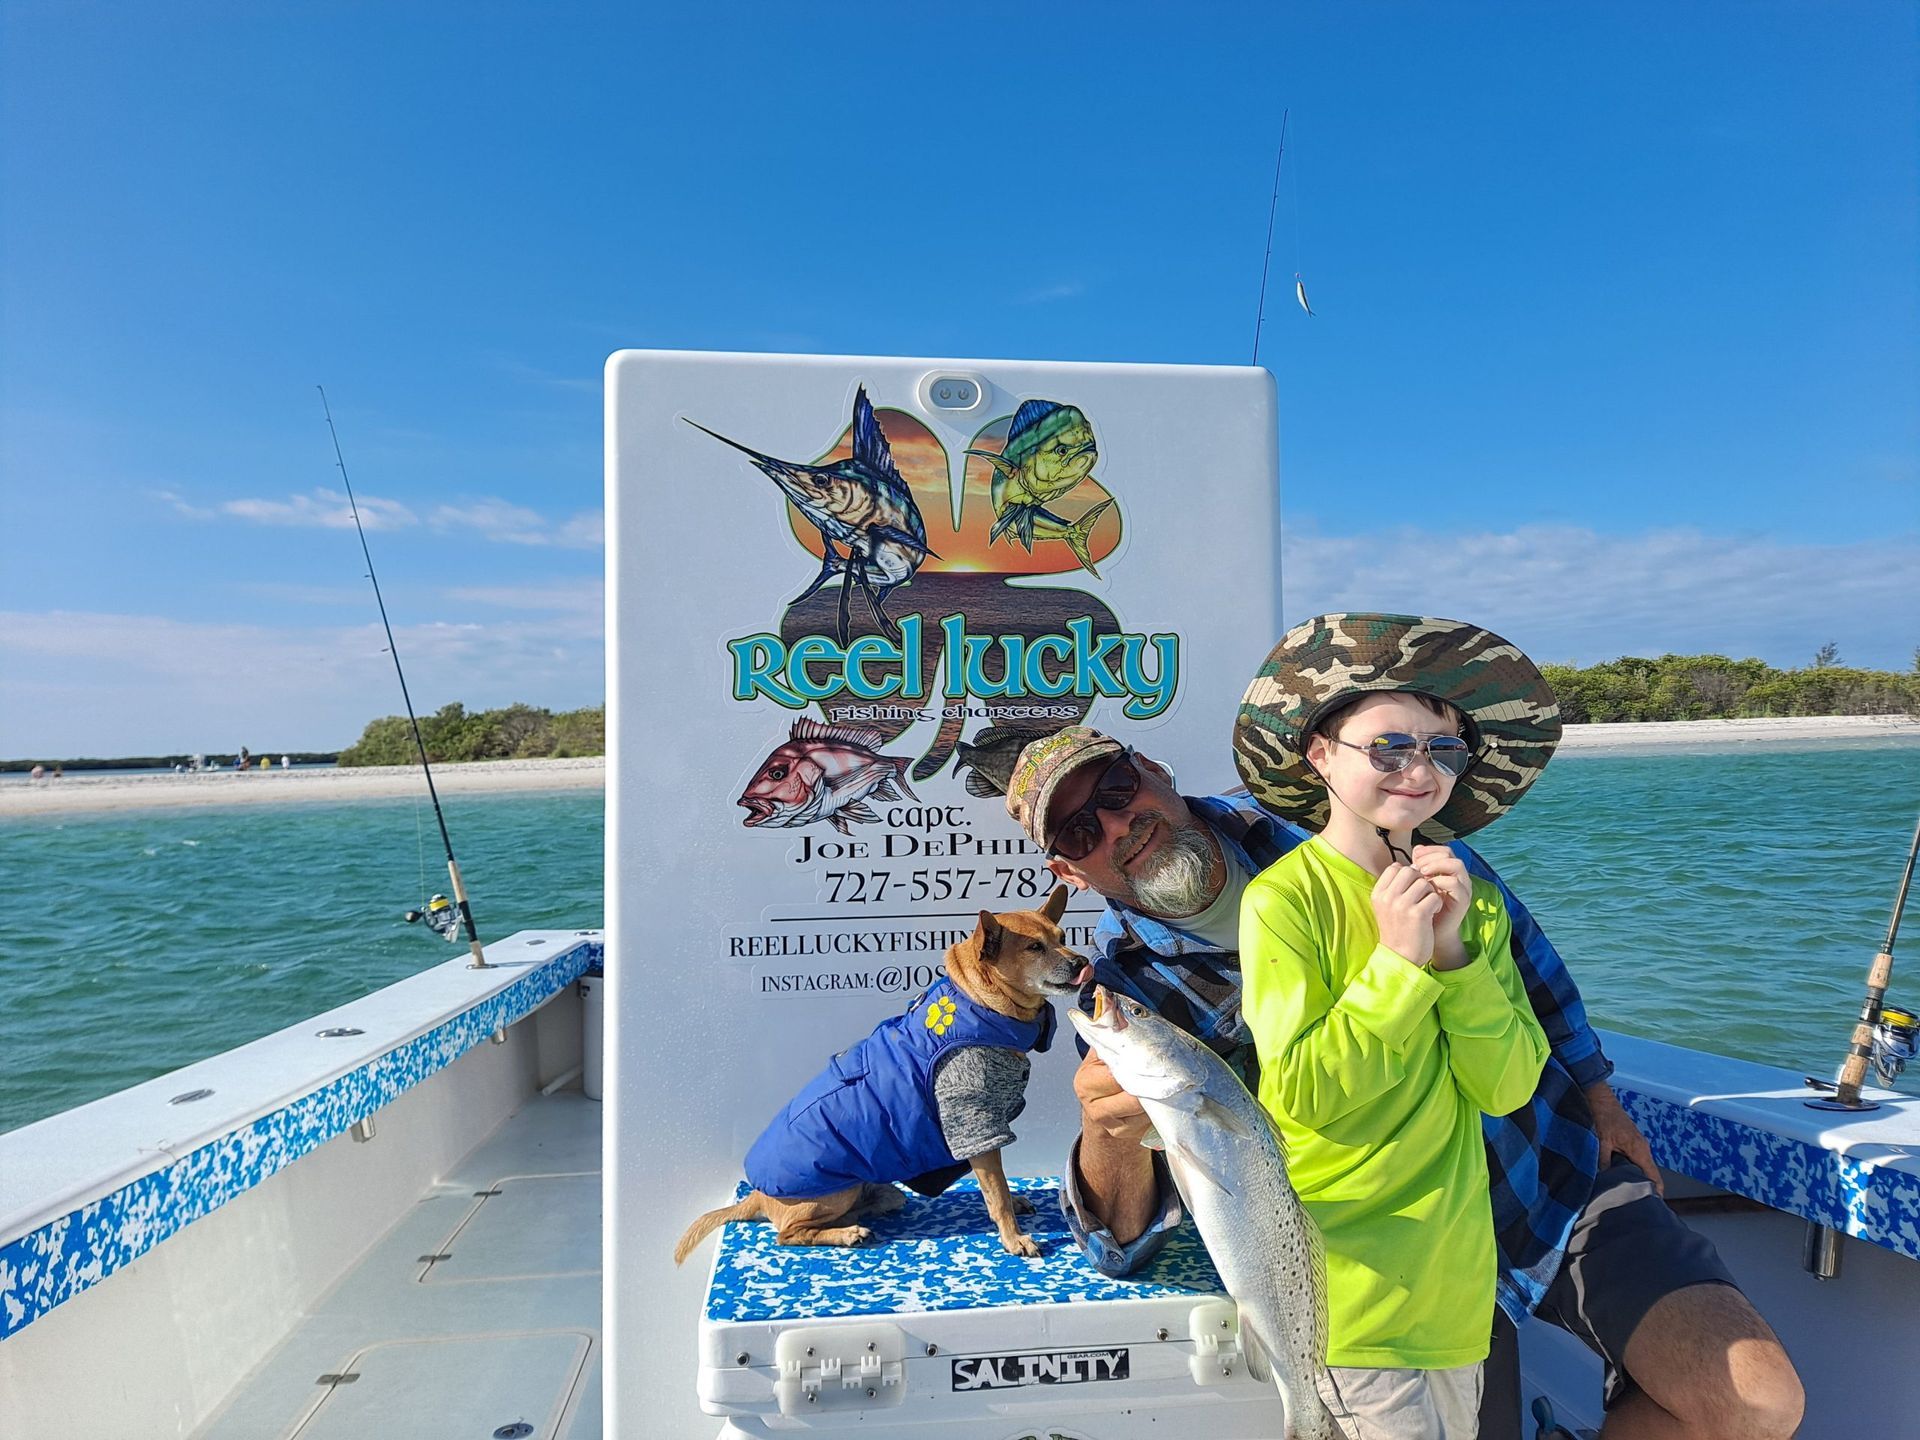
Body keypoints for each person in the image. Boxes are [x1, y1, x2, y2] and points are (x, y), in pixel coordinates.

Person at [1003, 618, 1802, 1440]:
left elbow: (1533, 973)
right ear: (1067, 870)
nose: (1112, 825)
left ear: (1156, 774)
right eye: (1076, 831)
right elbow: (1124, 1241)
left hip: (1545, 1177)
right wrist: (1110, 1131)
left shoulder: (1379, 826)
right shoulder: (1125, 989)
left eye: (1115, 792)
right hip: (1376, 1270)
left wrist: (1601, 1098)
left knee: (1753, 1403)